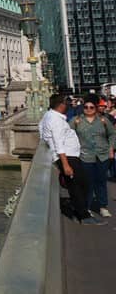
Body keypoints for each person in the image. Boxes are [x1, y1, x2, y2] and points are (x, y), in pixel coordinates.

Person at [41, 92, 101, 224]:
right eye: (67, 103)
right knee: (79, 186)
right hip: (67, 157)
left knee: (80, 184)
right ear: (61, 105)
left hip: (69, 156)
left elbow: (43, 133)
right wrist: (65, 164)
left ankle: (79, 211)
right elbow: (58, 143)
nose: (69, 105)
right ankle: (83, 216)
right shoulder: (55, 120)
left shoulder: (49, 116)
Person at [71, 94, 115, 217]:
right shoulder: (76, 121)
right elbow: (67, 134)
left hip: (103, 155)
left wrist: (111, 147)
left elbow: (112, 134)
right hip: (85, 156)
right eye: (86, 107)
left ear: (96, 108)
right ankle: (87, 206)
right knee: (88, 183)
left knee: (101, 181)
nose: (88, 109)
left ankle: (103, 206)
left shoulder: (103, 120)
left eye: (91, 107)